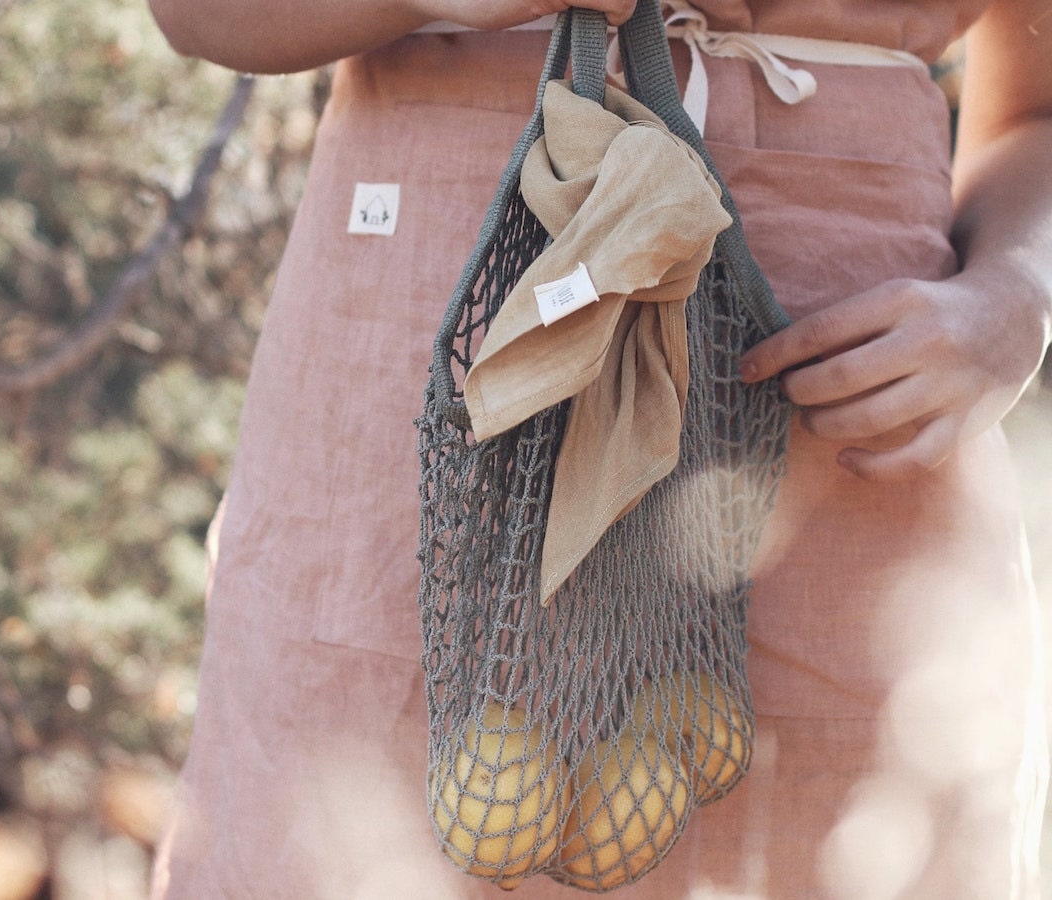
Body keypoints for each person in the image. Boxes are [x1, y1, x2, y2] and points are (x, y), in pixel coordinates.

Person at [145, 1, 1052, 896]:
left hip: (856, 414)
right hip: (453, 363)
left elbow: (1036, 107)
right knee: (351, 829)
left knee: (866, 834)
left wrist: (1016, 296)